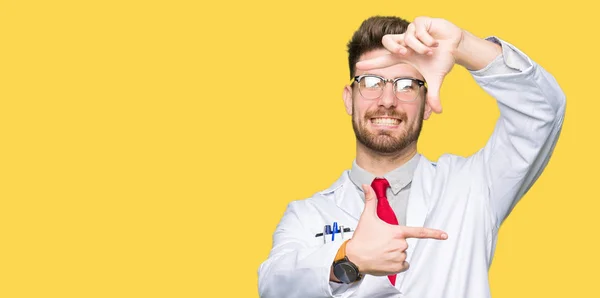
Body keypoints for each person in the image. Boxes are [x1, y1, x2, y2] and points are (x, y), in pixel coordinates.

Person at [257, 15, 565, 298]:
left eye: (407, 85)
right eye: (372, 83)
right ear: (349, 100)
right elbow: (272, 284)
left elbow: (541, 111)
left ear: (428, 102)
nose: (387, 101)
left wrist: (463, 46)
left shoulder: (473, 185)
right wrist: (348, 258)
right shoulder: (307, 214)